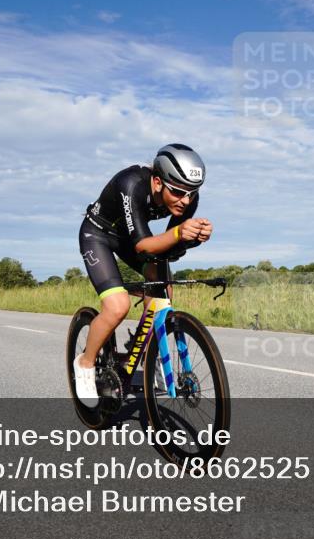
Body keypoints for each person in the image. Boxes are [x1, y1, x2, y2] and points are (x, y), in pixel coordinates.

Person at [75, 144, 213, 406]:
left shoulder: (187, 198)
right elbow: (142, 244)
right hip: (98, 236)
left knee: (163, 292)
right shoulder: (132, 183)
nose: (186, 200)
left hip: (130, 238)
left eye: (192, 193)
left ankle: (150, 356)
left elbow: (171, 247)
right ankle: (85, 363)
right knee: (117, 307)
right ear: (159, 182)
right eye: (178, 192)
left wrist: (194, 238)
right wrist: (178, 233)